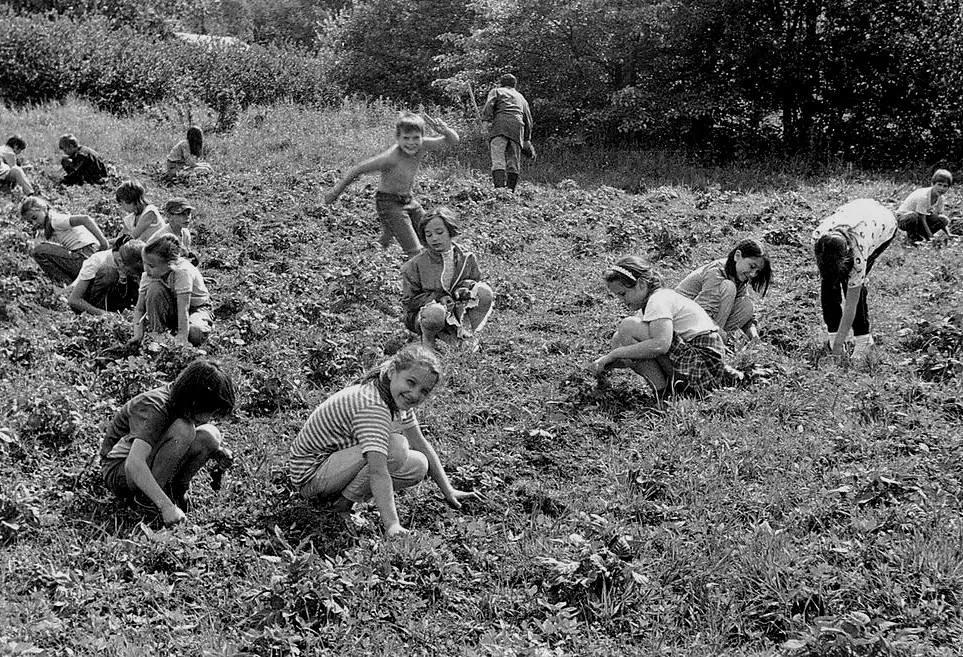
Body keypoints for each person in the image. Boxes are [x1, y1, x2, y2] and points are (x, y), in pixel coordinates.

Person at [288, 344, 476, 537]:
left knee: (419, 464)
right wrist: (392, 525)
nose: (415, 394)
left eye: (424, 391)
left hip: (334, 467)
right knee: (396, 447)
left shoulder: (394, 394)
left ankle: (339, 499)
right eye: (411, 383)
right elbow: (378, 470)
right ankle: (341, 506)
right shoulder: (373, 406)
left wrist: (449, 490)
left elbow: (419, 443)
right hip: (310, 477)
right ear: (393, 371)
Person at [100, 359, 236, 526]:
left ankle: (176, 492)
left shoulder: (182, 401)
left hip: (143, 464)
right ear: (195, 401)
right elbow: (134, 464)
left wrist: (216, 451)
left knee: (210, 435)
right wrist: (166, 507)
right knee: (184, 430)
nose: (209, 418)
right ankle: (149, 503)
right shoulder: (156, 407)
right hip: (119, 471)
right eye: (210, 412)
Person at [588, 257, 733, 396]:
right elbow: (631, 349)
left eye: (623, 293)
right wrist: (608, 363)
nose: (621, 300)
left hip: (702, 366)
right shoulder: (653, 302)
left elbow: (661, 345)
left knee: (628, 327)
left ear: (641, 284)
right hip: (699, 369)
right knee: (619, 337)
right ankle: (668, 390)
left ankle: (663, 394)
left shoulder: (658, 300)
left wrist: (615, 354)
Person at [323, 112, 460, 259]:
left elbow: (452, 140)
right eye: (405, 138)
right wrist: (336, 191)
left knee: (427, 229)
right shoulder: (391, 158)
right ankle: (413, 272)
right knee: (415, 250)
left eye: (416, 138)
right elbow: (358, 169)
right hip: (388, 203)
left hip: (409, 200)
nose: (411, 143)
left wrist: (445, 130)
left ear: (422, 137)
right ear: (397, 138)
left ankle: (374, 253)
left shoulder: (423, 145)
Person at [812, 198, 897, 361]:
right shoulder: (818, 237)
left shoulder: (859, 252)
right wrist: (835, 340)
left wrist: (837, 348)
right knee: (829, 284)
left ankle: (863, 340)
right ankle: (833, 334)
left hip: (883, 223)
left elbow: (851, 303)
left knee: (852, 285)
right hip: (856, 210)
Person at [400, 206, 494, 351]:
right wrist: (437, 298)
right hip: (426, 315)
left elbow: (475, 281)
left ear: (450, 231)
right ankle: (428, 343)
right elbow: (408, 302)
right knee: (435, 312)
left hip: (457, 309)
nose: (434, 238)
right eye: (429, 234)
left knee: (484, 292)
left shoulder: (466, 258)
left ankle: (468, 336)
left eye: (439, 232)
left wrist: (463, 289)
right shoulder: (414, 265)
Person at [675, 239, 772, 344]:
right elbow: (704, 311)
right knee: (729, 287)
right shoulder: (716, 272)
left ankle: (715, 340)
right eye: (752, 267)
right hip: (680, 319)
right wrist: (721, 334)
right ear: (737, 256)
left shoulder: (739, 276)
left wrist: (755, 339)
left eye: (757, 271)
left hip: (703, 320)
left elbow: (748, 318)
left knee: (746, 305)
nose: (753, 274)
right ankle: (711, 340)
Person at [131, 234, 214, 347]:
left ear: (169, 264)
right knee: (154, 288)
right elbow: (139, 308)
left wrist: (182, 339)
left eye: (151, 266)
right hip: (172, 307)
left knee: (195, 333)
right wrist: (137, 335)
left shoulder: (182, 272)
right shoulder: (148, 275)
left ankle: (197, 325)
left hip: (196, 308)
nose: (146, 269)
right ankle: (158, 334)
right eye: (144, 263)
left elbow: (183, 309)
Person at [21, 196, 110, 285]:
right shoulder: (49, 226)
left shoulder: (55, 220)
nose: (34, 223)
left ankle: (65, 285)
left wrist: (103, 241)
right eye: (30, 222)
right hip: (87, 256)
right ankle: (75, 285)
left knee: (38, 251)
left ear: (43, 209)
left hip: (84, 255)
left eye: (34, 217)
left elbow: (85, 219)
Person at [480, 73, 534, 192]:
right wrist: (527, 139)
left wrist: (485, 122)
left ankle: (499, 191)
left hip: (500, 127)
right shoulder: (521, 97)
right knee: (513, 162)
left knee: (498, 159)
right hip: (517, 129)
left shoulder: (497, 91)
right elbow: (528, 119)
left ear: (501, 83)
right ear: (515, 85)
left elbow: (490, 105)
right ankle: (510, 192)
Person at [67, 238, 145, 315]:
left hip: (113, 304)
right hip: (90, 304)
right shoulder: (98, 261)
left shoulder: (128, 265)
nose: (130, 274)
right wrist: (103, 314)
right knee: (109, 273)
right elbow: (73, 300)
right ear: (121, 262)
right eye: (130, 272)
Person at [895, 169, 954, 242]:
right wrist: (931, 237)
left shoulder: (940, 198)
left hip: (919, 220)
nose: (942, 188)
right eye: (939, 185)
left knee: (944, 220)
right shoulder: (924, 196)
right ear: (933, 184)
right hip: (903, 218)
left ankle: (921, 236)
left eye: (945, 186)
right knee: (913, 216)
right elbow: (922, 219)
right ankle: (911, 238)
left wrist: (948, 234)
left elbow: (938, 216)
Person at [155, 197, 197, 262]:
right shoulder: (164, 237)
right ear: (169, 216)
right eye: (182, 214)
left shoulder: (185, 232)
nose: (187, 217)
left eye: (188, 213)